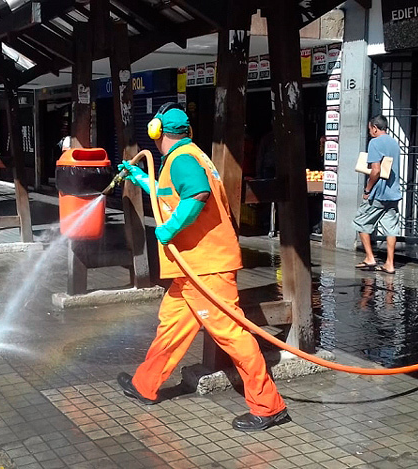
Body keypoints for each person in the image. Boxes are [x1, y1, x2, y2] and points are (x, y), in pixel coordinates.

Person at [116, 103, 289, 432]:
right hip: (190, 270)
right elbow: (173, 195)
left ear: (157, 132)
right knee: (170, 325)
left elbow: (196, 194)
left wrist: (168, 230)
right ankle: (145, 384)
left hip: (206, 268)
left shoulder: (182, 159)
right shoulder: (189, 156)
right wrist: (141, 179)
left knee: (233, 336)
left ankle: (269, 406)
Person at [353, 115, 402, 274]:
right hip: (393, 193)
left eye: (369, 129)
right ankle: (390, 263)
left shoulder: (374, 142)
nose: (370, 132)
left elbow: (376, 170)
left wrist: (367, 189)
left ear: (374, 127)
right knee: (391, 229)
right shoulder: (394, 143)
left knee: (360, 222)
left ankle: (369, 257)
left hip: (378, 193)